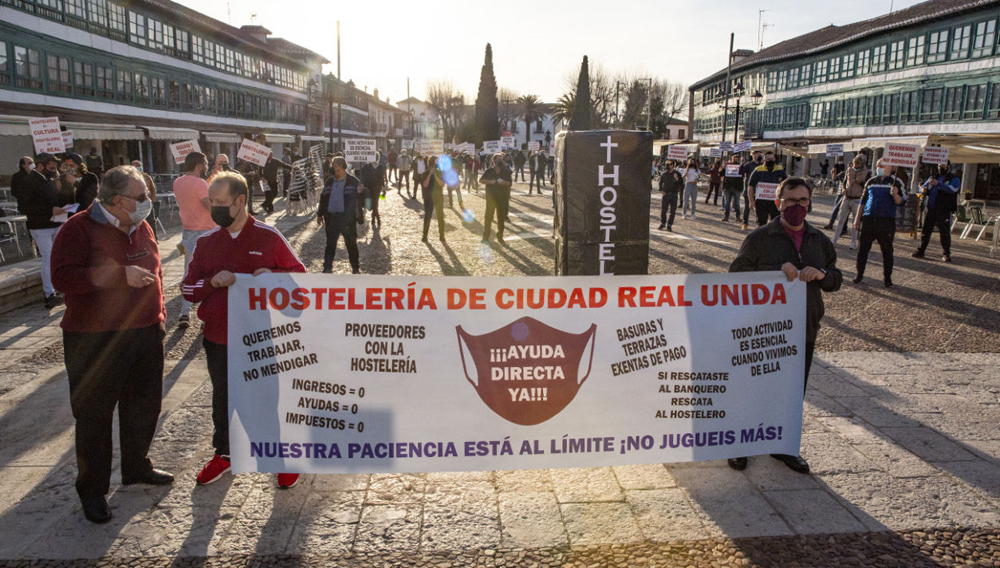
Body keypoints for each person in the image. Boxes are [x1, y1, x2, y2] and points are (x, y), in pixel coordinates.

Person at [51, 165, 173, 524]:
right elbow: (61, 278)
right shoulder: (78, 229)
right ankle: (92, 492)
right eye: (141, 197)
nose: (147, 202)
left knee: (143, 407)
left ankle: (137, 467)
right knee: (94, 418)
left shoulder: (142, 226)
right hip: (94, 340)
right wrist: (119, 276)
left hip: (145, 332)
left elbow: (158, 272)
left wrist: (160, 315)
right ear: (118, 201)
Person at [181, 171, 305, 489]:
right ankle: (224, 453)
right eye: (211, 202)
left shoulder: (269, 237)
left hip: (262, 338)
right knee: (223, 400)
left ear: (240, 201)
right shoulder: (207, 243)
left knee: (266, 399)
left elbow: (300, 282)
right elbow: (188, 289)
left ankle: (280, 457)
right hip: (218, 338)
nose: (214, 208)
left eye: (220, 202)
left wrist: (273, 276)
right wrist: (211, 282)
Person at [728, 176, 842, 474]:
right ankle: (740, 444)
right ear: (779, 202)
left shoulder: (819, 240)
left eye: (802, 201)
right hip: (763, 329)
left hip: (803, 328)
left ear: (810, 203)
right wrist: (775, 271)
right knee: (754, 388)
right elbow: (737, 273)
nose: (797, 206)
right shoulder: (760, 237)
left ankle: (784, 445)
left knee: (792, 392)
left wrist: (822, 276)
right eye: (790, 201)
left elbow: (835, 277)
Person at [18, 153, 69, 309]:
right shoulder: (29, 181)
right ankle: (49, 294)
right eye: (50, 168)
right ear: (40, 165)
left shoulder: (50, 179)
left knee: (59, 257)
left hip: (55, 223)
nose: (53, 171)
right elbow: (25, 206)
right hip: (40, 226)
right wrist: (50, 210)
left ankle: (60, 288)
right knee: (48, 259)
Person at [173, 152, 215, 329]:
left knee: (188, 272)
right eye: (205, 164)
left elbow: (191, 199)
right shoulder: (200, 184)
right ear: (199, 166)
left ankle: (184, 313)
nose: (206, 168)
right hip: (206, 231)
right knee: (209, 274)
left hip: (187, 231)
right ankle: (207, 315)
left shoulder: (178, 182)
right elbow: (208, 206)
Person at [853, 159, 905, 287]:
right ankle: (859, 274)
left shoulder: (896, 182)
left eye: (882, 166)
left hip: (886, 221)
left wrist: (895, 195)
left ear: (890, 167)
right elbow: (863, 201)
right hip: (869, 219)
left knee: (887, 251)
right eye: (877, 166)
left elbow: (902, 202)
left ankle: (887, 278)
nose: (879, 168)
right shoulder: (871, 181)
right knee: (862, 250)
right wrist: (857, 219)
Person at [317, 157, 363, 274]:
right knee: (330, 244)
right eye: (334, 168)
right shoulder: (329, 181)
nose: (335, 171)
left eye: (337, 169)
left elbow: (361, 198)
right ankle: (327, 267)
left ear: (343, 168)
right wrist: (320, 214)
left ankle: (355, 268)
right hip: (331, 218)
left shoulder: (353, 181)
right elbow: (323, 198)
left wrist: (360, 215)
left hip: (347, 219)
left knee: (351, 244)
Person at [913, 161, 961, 262]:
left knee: (944, 233)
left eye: (943, 166)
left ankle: (946, 254)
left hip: (944, 210)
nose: (941, 168)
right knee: (925, 231)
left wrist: (939, 184)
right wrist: (923, 189)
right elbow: (922, 187)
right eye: (939, 166)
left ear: (948, 166)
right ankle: (921, 250)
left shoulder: (953, 179)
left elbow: (953, 189)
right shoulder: (934, 177)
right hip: (931, 208)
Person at [832, 156, 869, 249]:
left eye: (858, 163)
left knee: (855, 222)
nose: (855, 165)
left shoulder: (867, 172)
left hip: (857, 199)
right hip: (847, 197)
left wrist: (860, 182)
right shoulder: (849, 170)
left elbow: (867, 185)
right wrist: (844, 189)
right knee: (841, 220)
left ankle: (853, 242)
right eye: (854, 163)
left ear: (862, 163)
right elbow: (844, 181)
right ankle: (834, 239)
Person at [748, 151, 787, 227]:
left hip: (776, 202)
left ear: (775, 159)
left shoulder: (780, 170)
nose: (771, 161)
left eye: (772, 159)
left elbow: (786, 185)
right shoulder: (758, 170)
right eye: (768, 159)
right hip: (761, 202)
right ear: (764, 160)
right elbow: (751, 186)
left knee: (776, 224)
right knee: (761, 224)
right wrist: (751, 201)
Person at [480, 153, 513, 244]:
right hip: (491, 198)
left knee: (501, 218)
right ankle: (486, 236)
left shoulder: (505, 171)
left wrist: (503, 182)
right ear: (494, 161)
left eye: (501, 160)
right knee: (488, 217)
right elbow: (481, 180)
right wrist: (490, 181)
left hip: (502, 198)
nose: (500, 161)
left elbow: (510, 183)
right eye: (498, 160)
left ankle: (500, 236)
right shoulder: (489, 171)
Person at [420, 156, 447, 242]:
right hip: (428, 197)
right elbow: (425, 184)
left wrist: (435, 175)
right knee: (428, 216)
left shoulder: (440, 173)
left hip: (438, 197)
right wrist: (430, 174)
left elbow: (442, 184)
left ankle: (442, 236)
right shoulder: (425, 173)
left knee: (440, 216)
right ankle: (424, 236)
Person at [359, 152, 387, 228]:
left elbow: (382, 178)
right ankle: (375, 217)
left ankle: (376, 218)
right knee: (371, 204)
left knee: (375, 203)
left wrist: (383, 187)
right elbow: (362, 176)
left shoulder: (380, 167)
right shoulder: (366, 167)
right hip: (368, 188)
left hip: (377, 188)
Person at [739, 151, 763, 230]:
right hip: (748, 189)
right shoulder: (748, 164)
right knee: (747, 207)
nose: (759, 156)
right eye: (757, 154)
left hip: (759, 190)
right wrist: (742, 164)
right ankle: (745, 223)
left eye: (760, 155)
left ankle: (759, 223)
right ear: (753, 155)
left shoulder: (762, 165)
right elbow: (741, 172)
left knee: (759, 207)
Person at [657, 161, 683, 231]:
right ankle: (663, 223)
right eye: (666, 165)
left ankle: (669, 225)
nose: (668, 166)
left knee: (672, 211)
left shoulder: (677, 173)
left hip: (673, 195)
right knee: (663, 210)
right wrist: (661, 190)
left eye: (669, 165)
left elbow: (681, 183)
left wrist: (677, 179)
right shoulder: (664, 174)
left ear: (673, 165)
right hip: (666, 194)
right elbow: (660, 183)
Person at [721, 155, 743, 222]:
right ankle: (726, 216)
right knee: (727, 203)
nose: (735, 160)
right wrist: (724, 167)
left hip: (737, 187)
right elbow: (720, 173)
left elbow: (743, 174)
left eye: (736, 159)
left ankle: (737, 216)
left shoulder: (740, 167)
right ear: (731, 159)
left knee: (737, 203)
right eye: (734, 158)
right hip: (728, 187)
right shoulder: (727, 166)